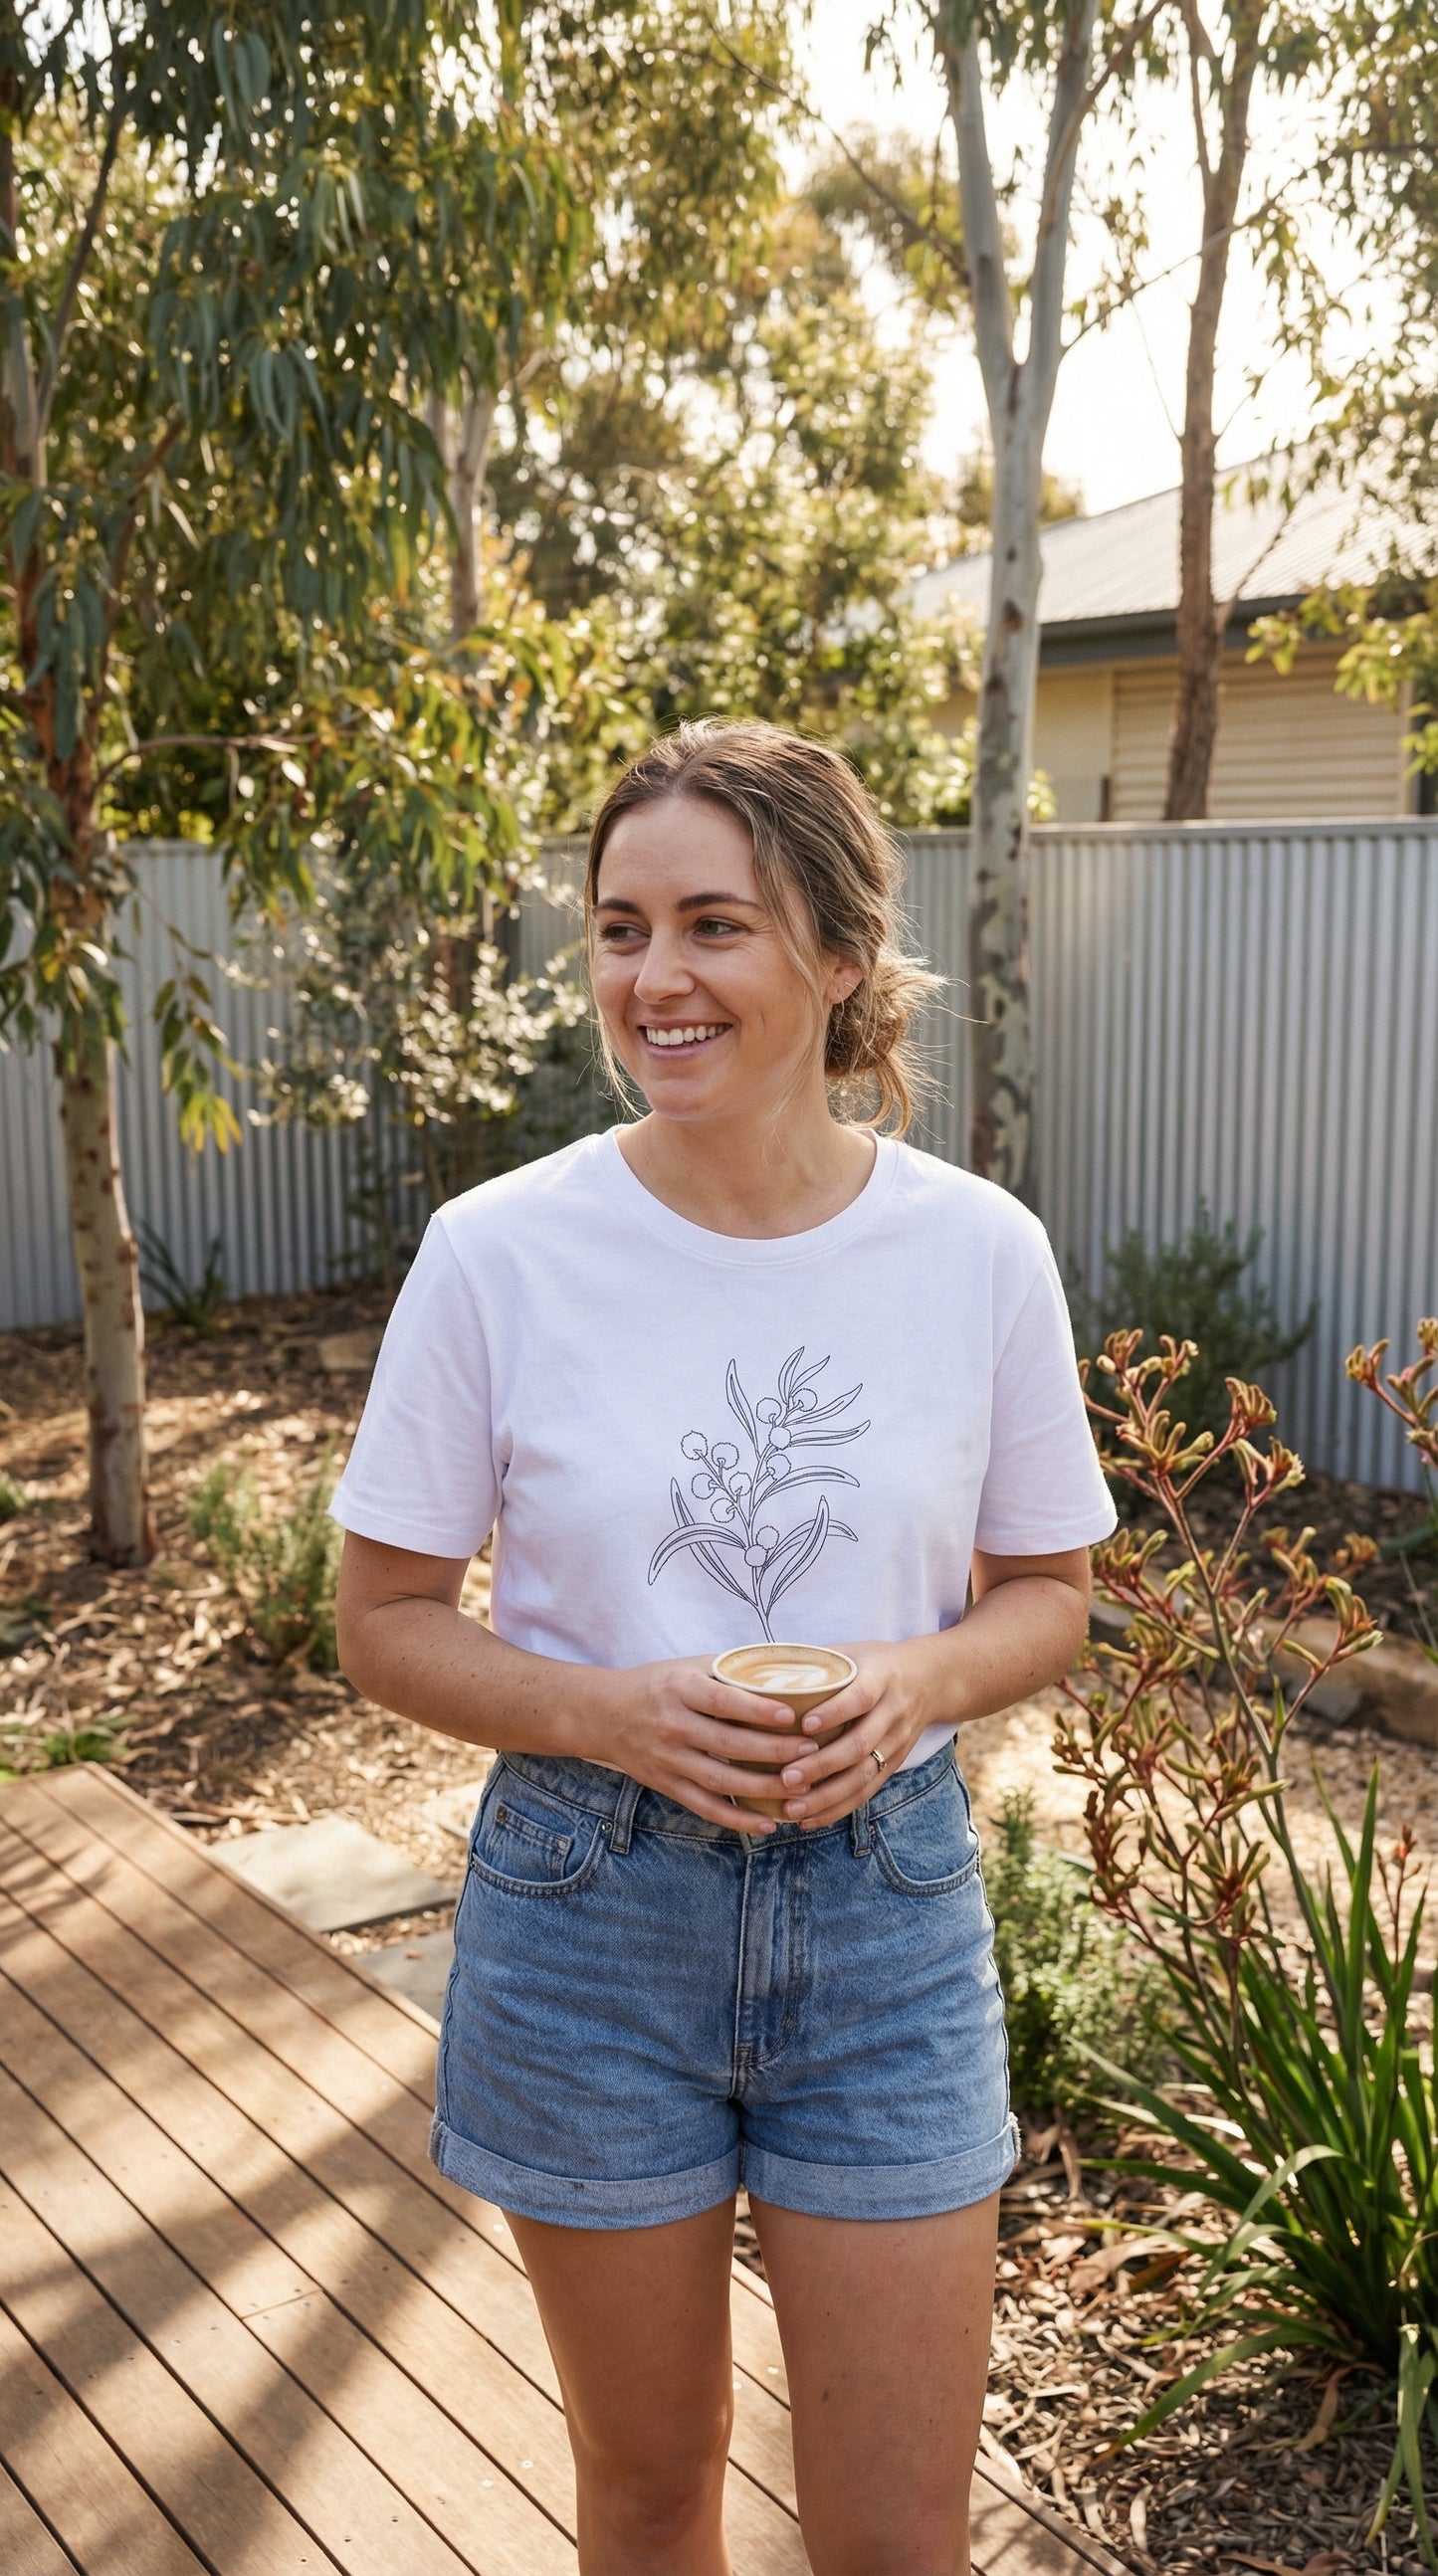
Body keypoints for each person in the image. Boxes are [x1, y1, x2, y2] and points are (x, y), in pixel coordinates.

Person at [331, 720, 1117, 2576]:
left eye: (713, 924)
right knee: (649, 2492)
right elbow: (380, 1622)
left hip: (886, 1916)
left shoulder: (977, 1252)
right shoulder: (496, 1252)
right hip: (586, 1914)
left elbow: (1053, 1593)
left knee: (898, 2534)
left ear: (839, 958)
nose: (652, 978)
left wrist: (912, 1680)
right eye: (618, 929)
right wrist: (610, 1712)